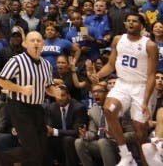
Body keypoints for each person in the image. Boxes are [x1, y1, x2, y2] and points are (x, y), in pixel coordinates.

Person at [90, 12, 158, 166]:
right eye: (128, 21)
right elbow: (110, 65)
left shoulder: (150, 45)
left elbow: (152, 75)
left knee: (140, 131)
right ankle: (126, 155)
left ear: (142, 25)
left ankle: (145, 163)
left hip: (141, 86)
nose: (130, 23)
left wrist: (146, 102)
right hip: (122, 83)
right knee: (109, 109)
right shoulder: (118, 40)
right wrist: (98, 75)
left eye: (134, 21)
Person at [0, 30, 56, 166]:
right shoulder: (16, 60)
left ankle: (4, 157)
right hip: (19, 107)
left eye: (39, 40)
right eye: (32, 40)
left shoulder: (47, 65)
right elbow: (0, 81)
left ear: (43, 45)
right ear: (25, 44)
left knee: (41, 148)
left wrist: (55, 93)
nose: (36, 43)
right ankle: (3, 158)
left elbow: (48, 87)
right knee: (33, 149)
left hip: (37, 108)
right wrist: (21, 89)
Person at [43, 83, 88, 166]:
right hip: (58, 138)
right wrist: (49, 131)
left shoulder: (78, 108)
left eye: (62, 95)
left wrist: (54, 132)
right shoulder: (51, 108)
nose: (59, 98)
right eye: (57, 96)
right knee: (44, 140)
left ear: (69, 96)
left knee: (68, 140)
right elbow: (49, 128)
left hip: (74, 138)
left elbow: (76, 132)